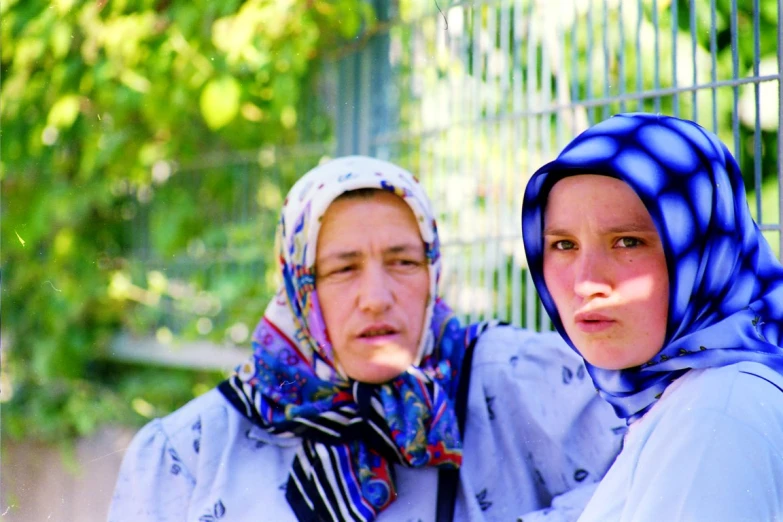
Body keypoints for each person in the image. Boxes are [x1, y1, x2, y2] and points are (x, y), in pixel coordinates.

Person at [109, 155, 624, 522]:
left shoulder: (514, 383)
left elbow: (654, 480)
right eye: (342, 269)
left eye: (402, 262)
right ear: (299, 289)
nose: (376, 297)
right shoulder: (191, 455)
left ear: (432, 272)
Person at [521, 112, 783, 521]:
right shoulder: (684, 400)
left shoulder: (716, 417)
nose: (586, 283)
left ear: (704, 252)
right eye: (564, 244)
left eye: (628, 241)